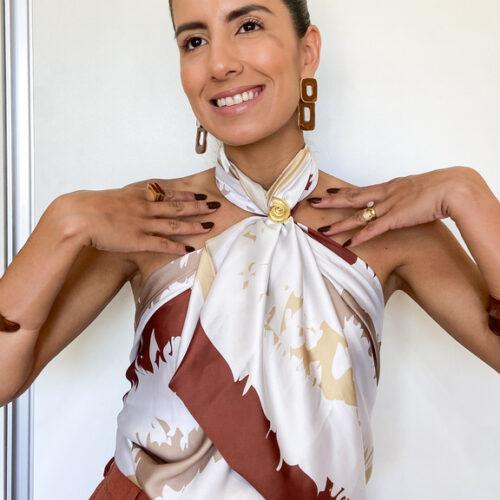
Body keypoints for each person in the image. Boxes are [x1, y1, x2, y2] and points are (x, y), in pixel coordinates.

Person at [1, 0, 499, 498]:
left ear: (308, 51)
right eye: (195, 41)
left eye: (249, 25)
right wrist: (63, 222)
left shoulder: (386, 223)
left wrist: (469, 194)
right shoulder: (145, 220)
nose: (219, 64)